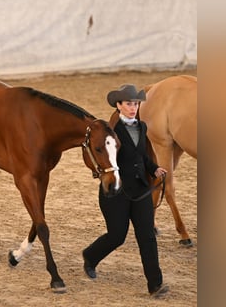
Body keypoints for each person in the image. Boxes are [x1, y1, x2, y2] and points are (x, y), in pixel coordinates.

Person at [82, 84, 169, 298]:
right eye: (129, 104)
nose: (133, 107)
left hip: (140, 190)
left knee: (147, 236)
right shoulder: (110, 132)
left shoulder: (142, 127)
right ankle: (90, 256)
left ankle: (155, 284)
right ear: (119, 105)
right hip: (117, 193)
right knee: (117, 236)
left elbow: (141, 156)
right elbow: (102, 158)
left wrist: (153, 168)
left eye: (136, 104)